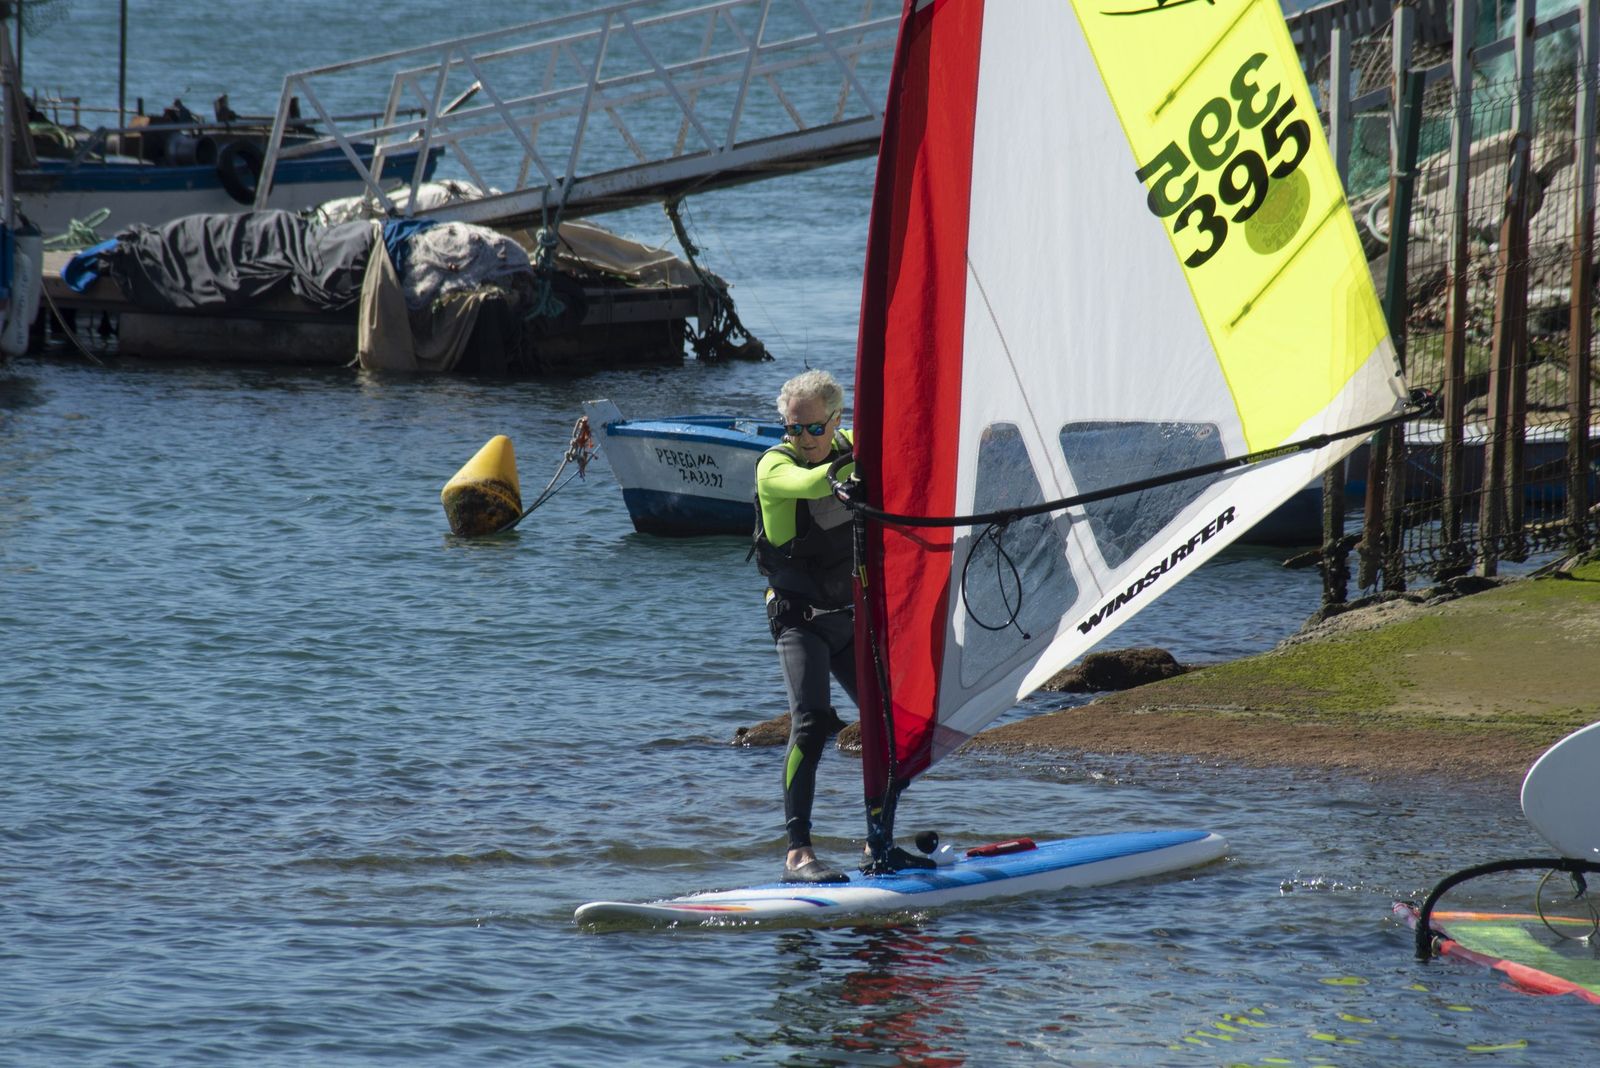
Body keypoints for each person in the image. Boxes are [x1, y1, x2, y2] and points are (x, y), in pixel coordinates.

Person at [753, 369, 858, 884]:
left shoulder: (853, 443)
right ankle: (798, 854)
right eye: (794, 429)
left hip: (850, 615)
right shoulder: (775, 465)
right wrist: (855, 466)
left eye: (815, 429)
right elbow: (810, 481)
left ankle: (878, 840)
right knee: (813, 720)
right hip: (799, 619)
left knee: (890, 720)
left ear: (837, 421)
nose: (804, 439)